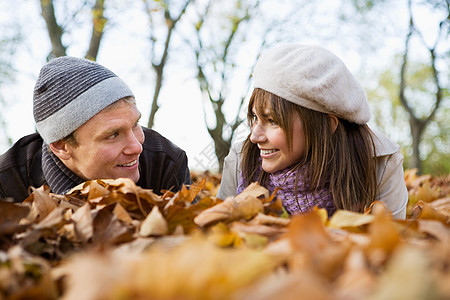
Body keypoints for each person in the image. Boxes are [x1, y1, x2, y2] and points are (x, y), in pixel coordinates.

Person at [217, 44, 408, 219]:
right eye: (255, 118)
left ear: (326, 126)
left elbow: (389, 247)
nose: (254, 136)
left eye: (273, 121)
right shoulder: (241, 159)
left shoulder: (380, 163)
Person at [0, 56, 191, 202]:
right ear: (61, 146)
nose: (136, 147)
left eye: (134, 125)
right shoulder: (7, 185)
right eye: (113, 134)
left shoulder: (167, 162)